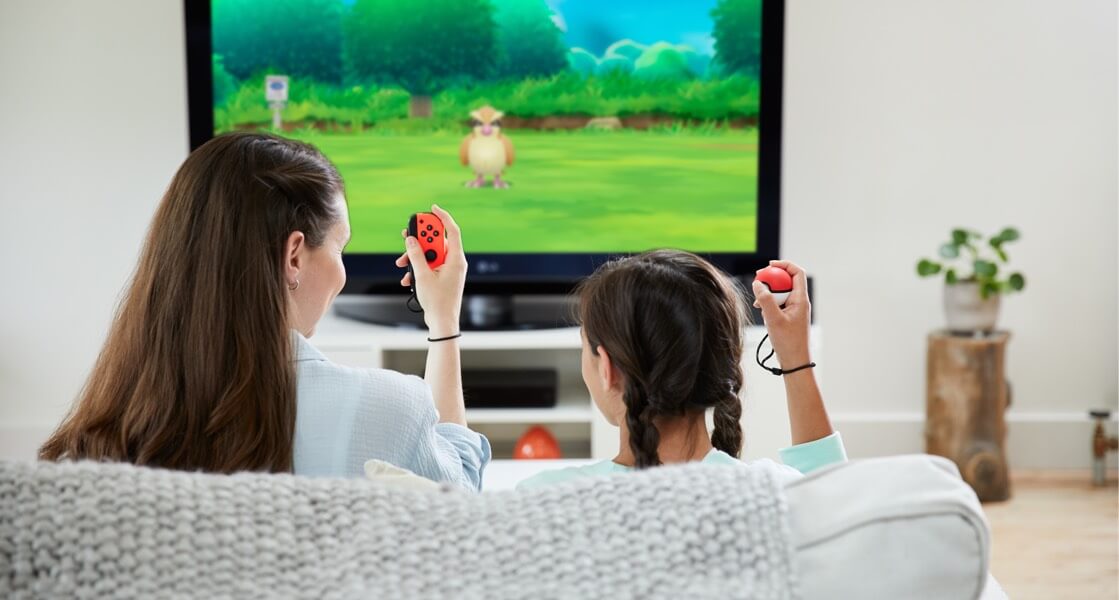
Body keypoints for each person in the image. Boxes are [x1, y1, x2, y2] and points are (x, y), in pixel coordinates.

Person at [39, 132, 490, 490]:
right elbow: (458, 505)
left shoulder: (106, 430)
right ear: (294, 256)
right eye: (340, 248)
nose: (342, 273)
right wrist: (443, 322)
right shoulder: (392, 410)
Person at [517, 250, 845, 488]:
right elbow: (832, 495)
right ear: (724, 362)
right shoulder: (776, 491)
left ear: (607, 368)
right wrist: (795, 358)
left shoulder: (544, 495)